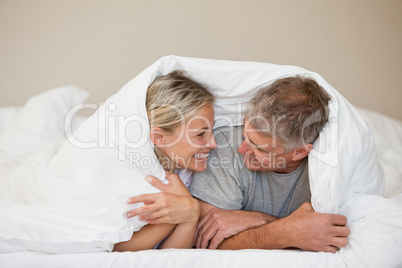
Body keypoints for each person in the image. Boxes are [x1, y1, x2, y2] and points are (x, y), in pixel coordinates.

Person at [127, 75, 349, 253]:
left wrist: (261, 223)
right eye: (245, 135)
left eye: (259, 148)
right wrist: (286, 231)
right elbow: (208, 242)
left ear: (299, 152)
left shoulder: (329, 170)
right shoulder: (226, 146)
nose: (241, 149)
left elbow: (328, 234)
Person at [113, 70, 217, 251]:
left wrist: (191, 215)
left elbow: (173, 258)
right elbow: (115, 250)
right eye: (201, 134)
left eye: (211, 130)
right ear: (159, 137)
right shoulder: (139, 179)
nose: (213, 143)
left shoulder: (184, 171)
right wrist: (184, 208)